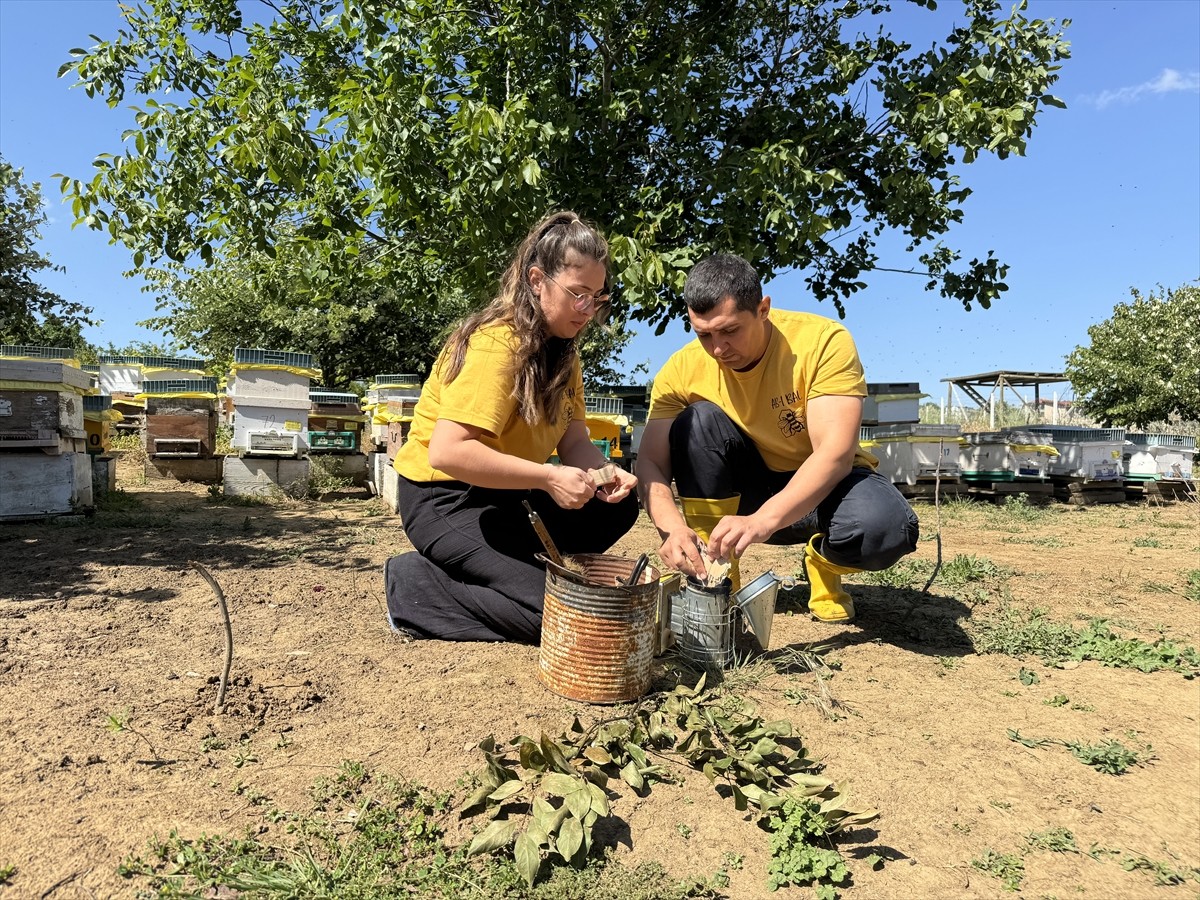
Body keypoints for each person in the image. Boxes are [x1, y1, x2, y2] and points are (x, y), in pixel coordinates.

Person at [385, 211, 640, 643]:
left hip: (506, 492)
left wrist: (605, 472)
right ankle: (415, 584)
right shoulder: (496, 346)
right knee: (561, 619)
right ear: (537, 280)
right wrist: (548, 476)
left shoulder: (564, 354)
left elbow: (574, 440)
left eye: (597, 297)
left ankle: (511, 568)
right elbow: (448, 452)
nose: (588, 309)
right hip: (444, 496)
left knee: (617, 505)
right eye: (577, 293)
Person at [636, 253, 918, 623]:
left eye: (730, 330)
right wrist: (672, 529)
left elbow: (834, 454)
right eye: (704, 335)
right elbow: (651, 462)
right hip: (749, 490)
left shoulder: (821, 342)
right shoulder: (682, 368)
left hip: (825, 489)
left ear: (763, 309)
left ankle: (823, 563)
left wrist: (762, 520)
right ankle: (717, 575)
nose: (718, 349)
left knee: (886, 530)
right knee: (696, 420)